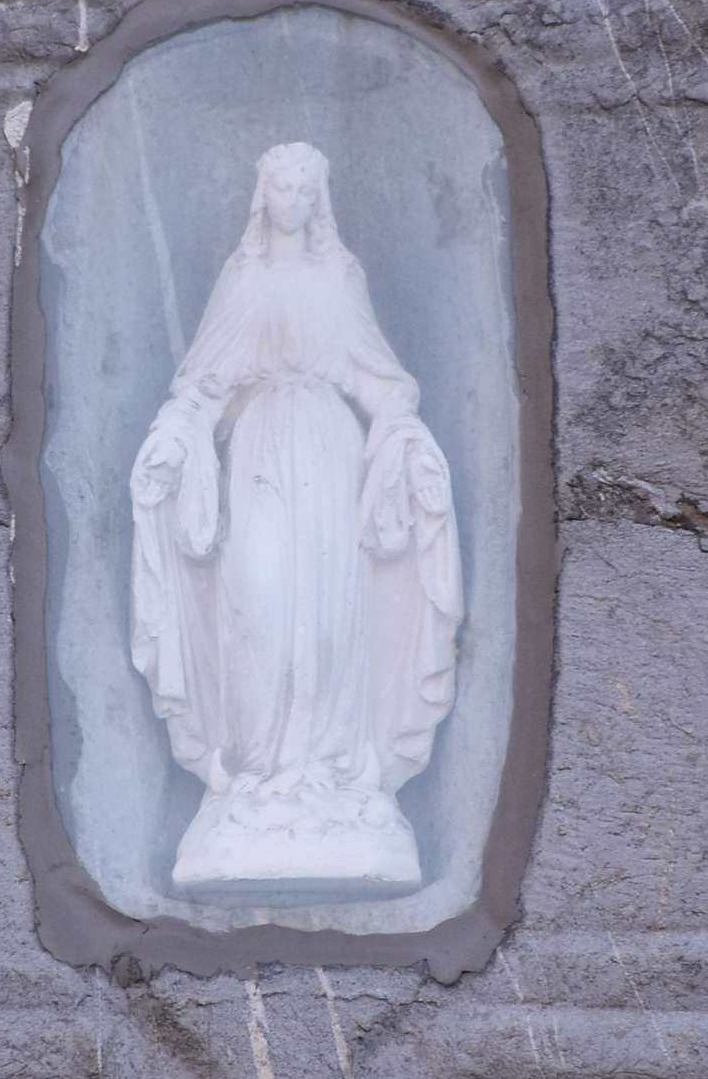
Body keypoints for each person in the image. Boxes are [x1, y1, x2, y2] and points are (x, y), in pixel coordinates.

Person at [130, 141, 461, 890]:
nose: (292, 201)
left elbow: (380, 381)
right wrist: (176, 433)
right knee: (261, 604)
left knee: (328, 616)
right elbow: (204, 385)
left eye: (305, 190)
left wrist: (403, 432)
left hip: (330, 457)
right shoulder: (243, 280)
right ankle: (256, 776)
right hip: (259, 456)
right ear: (263, 196)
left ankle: (331, 775)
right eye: (281, 188)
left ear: (320, 201)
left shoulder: (340, 279)